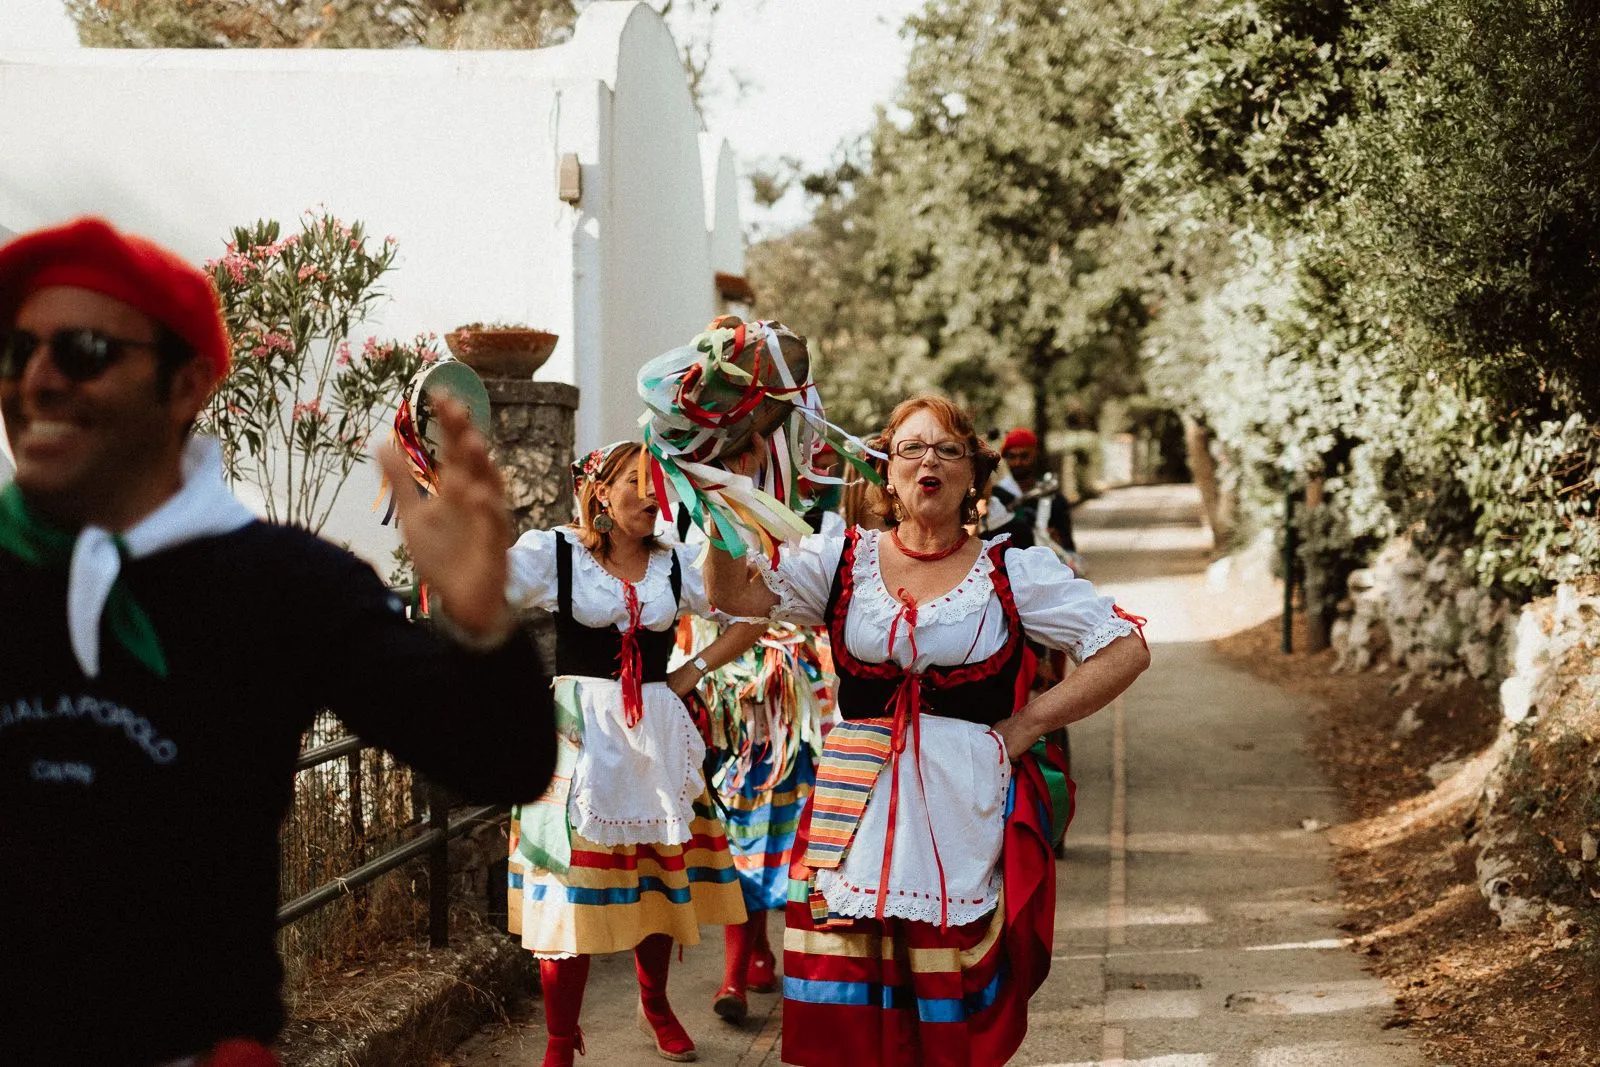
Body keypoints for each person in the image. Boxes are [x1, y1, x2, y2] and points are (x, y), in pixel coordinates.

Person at [0, 217, 557, 1067]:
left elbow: (500, 762)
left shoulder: (283, 585)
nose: (35, 379)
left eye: (80, 350)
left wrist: (482, 617)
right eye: (15, 351)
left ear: (186, 386)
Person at [705, 394, 1149, 1067]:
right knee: (849, 1010)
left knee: (949, 1014)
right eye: (911, 448)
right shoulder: (841, 560)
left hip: (958, 817)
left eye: (948, 449)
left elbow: (1125, 647)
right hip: (854, 818)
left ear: (974, 473)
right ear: (887, 471)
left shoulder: (1009, 571)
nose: (928, 461)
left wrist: (1028, 722)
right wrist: (718, 503)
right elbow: (736, 595)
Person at [504, 440, 766, 1066]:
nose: (651, 496)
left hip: (655, 733)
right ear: (600, 492)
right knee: (569, 890)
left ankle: (656, 1005)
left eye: (657, 484)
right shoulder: (558, 555)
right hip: (577, 736)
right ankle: (560, 1043)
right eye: (634, 482)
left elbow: (756, 612)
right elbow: (484, 584)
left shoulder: (677, 563)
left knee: (653, 878)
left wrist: (689, 673)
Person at [987, 426, 1077, 557]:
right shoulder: (995, 497)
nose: (1018, 462)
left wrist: (1057, 542)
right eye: (1012, 456)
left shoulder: (1054, 499)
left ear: (1035, 455)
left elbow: (1069, 548)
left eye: (1024, 456)